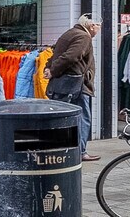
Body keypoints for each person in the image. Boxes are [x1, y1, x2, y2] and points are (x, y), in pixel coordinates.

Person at [45, 15, 100, 155]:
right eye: (98, 26)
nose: (99, 29)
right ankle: (79, 152)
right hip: (76, 86)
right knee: (82, 119)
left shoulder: (69, 33)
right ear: (91, 26)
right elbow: (71, 56)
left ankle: (63, 151)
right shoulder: (84, 37)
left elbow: (55, 54)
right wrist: (52, 70)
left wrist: (50, 67)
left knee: (62, 117)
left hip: (64, 85)